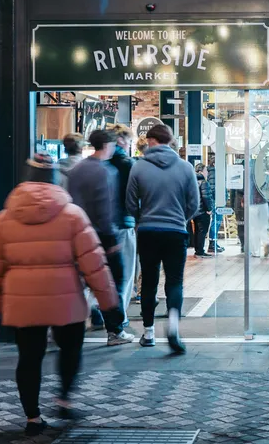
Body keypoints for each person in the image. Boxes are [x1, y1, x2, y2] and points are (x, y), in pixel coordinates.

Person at [0, 153, 121, 436]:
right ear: (54, 180)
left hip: (22, 302)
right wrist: (109, 302)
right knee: (71, 349)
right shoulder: (72, 215)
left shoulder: (4, 218)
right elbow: (93, 262)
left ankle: (32, 417)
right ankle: (64, 398)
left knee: (29, 357)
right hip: (66, 299)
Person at [125, 124, 200, 354]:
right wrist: (180, 219)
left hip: (148, 231)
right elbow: (194, 204)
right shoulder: (186, 168)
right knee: (175, 281)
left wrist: (142, 219)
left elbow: (129, 203)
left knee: (148, 281)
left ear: (152, 140)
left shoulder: (138, 168)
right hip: (176, 232)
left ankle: (148, 333)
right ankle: (174, 327)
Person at [68, 129, 134, 346]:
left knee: (81, 283)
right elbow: (106, 208)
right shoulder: (106, 172)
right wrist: (112, 238)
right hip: (103, 235)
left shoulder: (77, 170)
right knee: (112, 283)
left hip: (79, 233)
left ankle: (70, 328)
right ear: (108, 145)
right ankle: (115, 331)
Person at [107, 123, 137, 314]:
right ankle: (120, 317)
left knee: (104, 272)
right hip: (124, 223)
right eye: (129, 140)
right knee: (125, 273)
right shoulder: (128, 164)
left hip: (101, 225)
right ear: (121, 139)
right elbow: (135, 196)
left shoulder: (101, 162)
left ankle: (100, 308)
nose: (130, 144)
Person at [191, 165, 214, 258]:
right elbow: (206, 197)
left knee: (197, 231)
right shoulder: (204, 183)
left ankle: (198, 250)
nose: (207, 172)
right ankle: (200, 251)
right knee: (202, 231)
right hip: (203, 211)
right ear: (200, 171)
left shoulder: (192, 182)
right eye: (205, 170)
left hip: (195, 211)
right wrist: (209, 209)